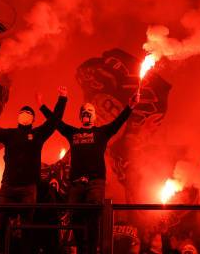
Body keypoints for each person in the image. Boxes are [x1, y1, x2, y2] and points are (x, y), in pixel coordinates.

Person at [41, 90, 140, 253]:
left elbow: (118, 122)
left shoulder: (101, 133)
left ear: (94, 116)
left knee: (93, 216)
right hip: (76, 183)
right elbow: (56, 122)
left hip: (95, 182)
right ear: (81, 116)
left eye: (90, 110)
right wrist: (44, 106)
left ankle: (93, 250)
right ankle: (82, 250)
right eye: (83, 111)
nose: (86, 112)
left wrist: (130, 106)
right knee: (75, 218)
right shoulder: (73, 133)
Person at [0, 91, 65, 253]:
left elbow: (54, 121)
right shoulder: (10, 135)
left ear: (33, 119)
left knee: (27, 226)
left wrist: (62, 99)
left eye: (28, 113)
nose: (25, 115)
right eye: (22, 113)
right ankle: (4, 249)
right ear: (18, 117)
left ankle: (25, 251)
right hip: (8, 187)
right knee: (0, 220)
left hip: (28, 188)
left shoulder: (37, 135)